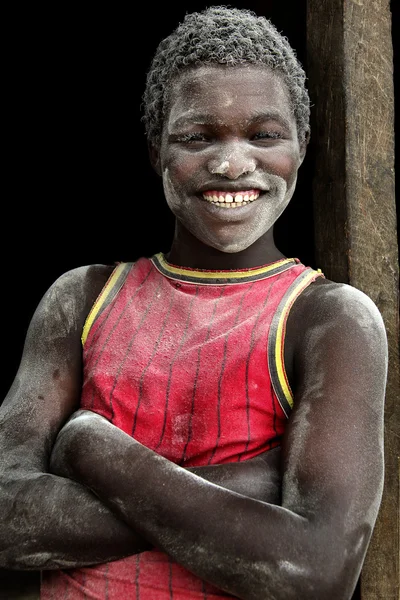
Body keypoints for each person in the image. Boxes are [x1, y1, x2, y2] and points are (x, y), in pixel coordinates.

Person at [0, 6, 388, 600]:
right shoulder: (82, 299)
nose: (232, 162)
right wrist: (257, 484)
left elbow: (317, 572)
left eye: (263, 134)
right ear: (156, 149)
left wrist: (92, 450)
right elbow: (6, 519)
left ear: (302, 145)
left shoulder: (328, 318)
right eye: (197, 136)